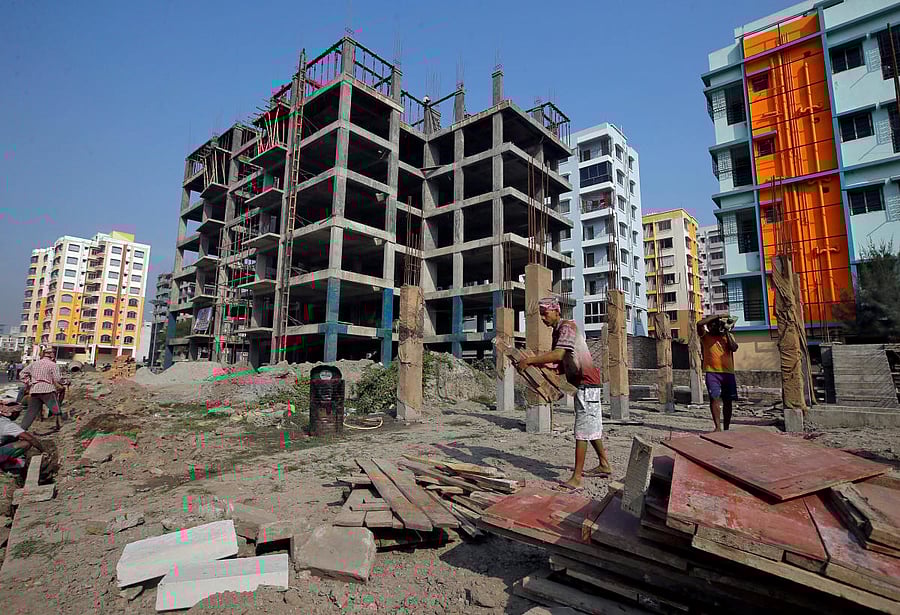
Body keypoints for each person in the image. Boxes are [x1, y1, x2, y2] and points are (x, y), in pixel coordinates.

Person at [515, 296, 611, 489]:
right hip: (582, 383)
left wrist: (532, 361)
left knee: (582, 431)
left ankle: (576, 478)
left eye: (545, 313)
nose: (543, 318)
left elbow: (558, 355)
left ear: (557, 311)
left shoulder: (567, 327)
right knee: (589, 426)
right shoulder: (558, 332)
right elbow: (560, 363)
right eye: (541, 314)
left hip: (587, 384)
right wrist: (539, 369)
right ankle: (604, 464)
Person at [697, 314, 739, 431]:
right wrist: (718, 316)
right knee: (714, 398)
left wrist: (726, 332)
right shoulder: (705, 336)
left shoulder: (728, 336)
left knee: (728, 401)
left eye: (716, 325)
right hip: (712, 372)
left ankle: (726, 427)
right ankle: (717, 427)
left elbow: (734, 348)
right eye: (711, 325)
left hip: (728, 373)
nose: (713, 327)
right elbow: (699, 324)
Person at [19, 349, 65, 431]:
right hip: (47, 390)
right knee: (56, 409)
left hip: (35, 390)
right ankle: (60, 427)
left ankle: (21, 430)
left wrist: (29, 383)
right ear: (52, 355)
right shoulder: (53, 365)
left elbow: (22, 374)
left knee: (30, 413)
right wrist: (66, 382)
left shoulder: (34, 364)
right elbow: (58, 379)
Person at [0, 405, 45, 473]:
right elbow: (31, 439)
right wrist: (43, 451)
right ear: (15, 414)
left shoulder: (2, 420)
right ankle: (4, 464)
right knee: (26, 444)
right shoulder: (8, 425)